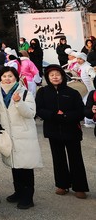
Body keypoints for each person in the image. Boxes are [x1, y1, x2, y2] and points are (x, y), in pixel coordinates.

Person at [0, 66, 42, 209]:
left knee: (26, 166)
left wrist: (19, 102)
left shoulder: (25, 93)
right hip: (8, 134)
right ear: (0, 78)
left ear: (16, 77)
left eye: (10, 76)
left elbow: (31, 114)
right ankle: (18, 192)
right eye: (4, 76)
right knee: (15, 165)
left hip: (24, 134)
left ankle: (28, 197)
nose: (7, 79)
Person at [35, 64, 89, 199]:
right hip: (53, 130)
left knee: (76, 158)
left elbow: (80, 111)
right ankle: (62, 184)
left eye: (57, 74)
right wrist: (53, 115)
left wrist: (65, 116)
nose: (55, 77)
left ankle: (80, 187)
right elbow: (39, 109)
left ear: (62, 76)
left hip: (71, 130)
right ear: (47, 77)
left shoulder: (72, 93)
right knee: (58, 158)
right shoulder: (42, 92)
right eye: (51, 75)